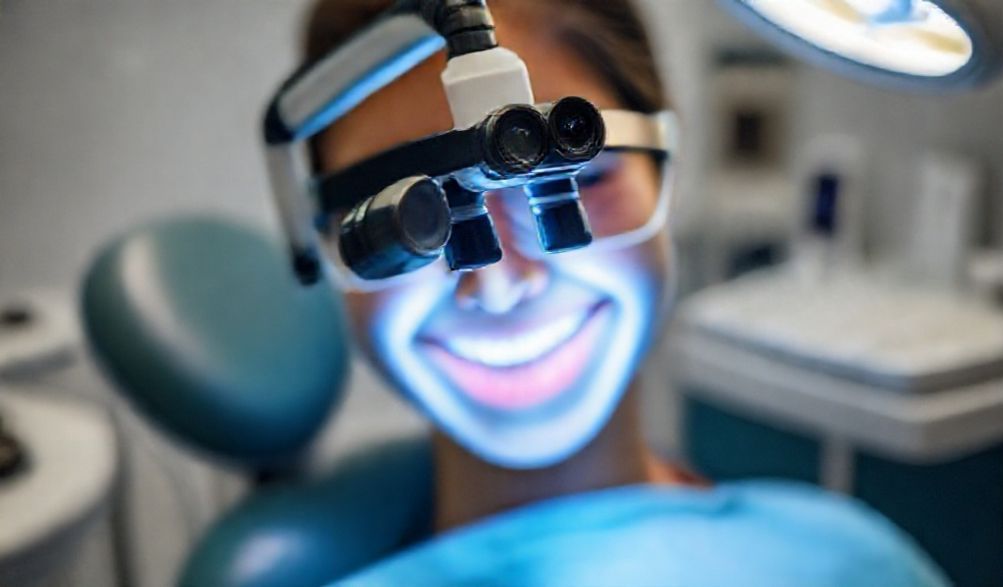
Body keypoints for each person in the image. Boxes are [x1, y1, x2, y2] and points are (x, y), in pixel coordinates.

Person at [232, 0, 951, 584]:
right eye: (411, 219)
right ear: (319, 242)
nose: (502, 285)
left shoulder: (844, 560)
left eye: (575, 180)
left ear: (665, 164)